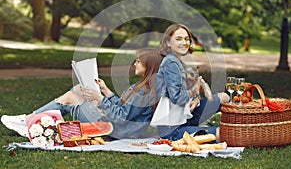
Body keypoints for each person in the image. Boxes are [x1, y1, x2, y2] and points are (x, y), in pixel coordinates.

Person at [1, 48, 163, 139]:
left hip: (116, 131)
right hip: (117, 126)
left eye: (139, 61)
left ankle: (29, 120)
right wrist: (106, 91)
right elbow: (123, 108)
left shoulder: (145, 91)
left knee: (71, 98)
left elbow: (121, 117)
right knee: (79, 89)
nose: (135, 64)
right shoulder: (142, 86)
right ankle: (31, 119)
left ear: (149, 66)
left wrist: (99, 98)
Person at [153, 23, 229, 141]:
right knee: (224, 134)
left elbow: (189, 92)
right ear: (168, 42)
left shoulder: (178, 61)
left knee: (223, 97)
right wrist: (193, 91)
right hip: (172, 129)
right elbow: (176, 97)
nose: (184, 43)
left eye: (187, 39)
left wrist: (196, 97)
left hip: (185, 116)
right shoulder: (171, 63)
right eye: (178, 39)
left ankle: (236, 125)